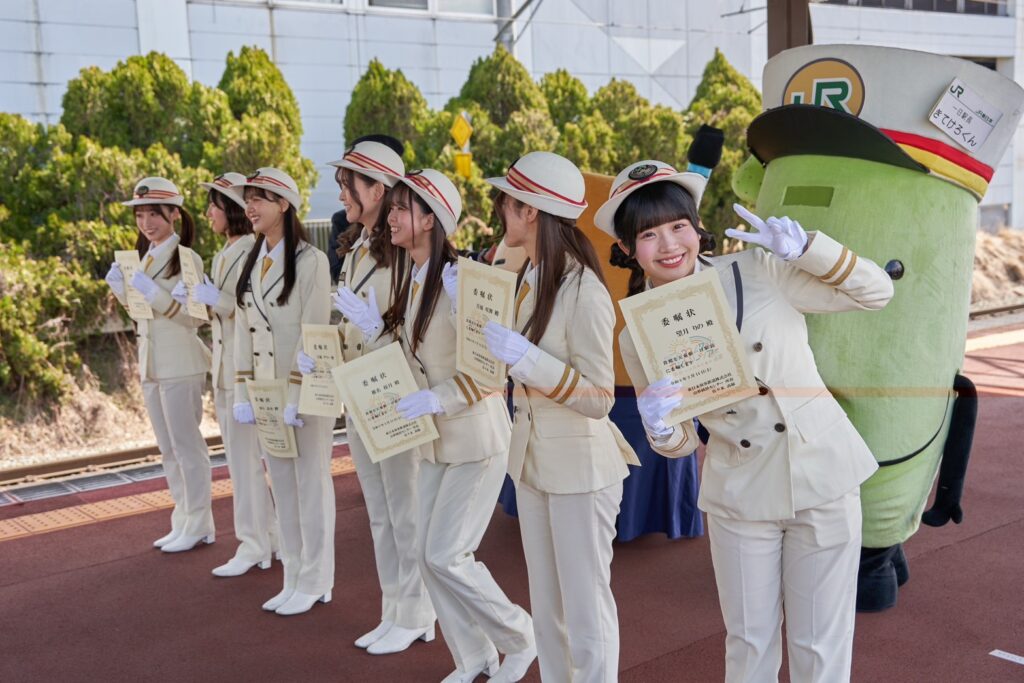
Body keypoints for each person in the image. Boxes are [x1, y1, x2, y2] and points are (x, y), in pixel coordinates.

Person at [595, 159, 894, 683]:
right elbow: (682, 443)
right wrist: (659, 426)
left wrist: (809, 250)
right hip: (739, 492)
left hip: (821, 474)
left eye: (677, 226)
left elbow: (876, 293)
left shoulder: (759, 269)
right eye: (648, 234)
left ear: (696, 228)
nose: (668, 245)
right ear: (627, 248)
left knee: (819, 646)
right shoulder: (635, 332)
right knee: (749, 644)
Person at [482, 152, 638, 682]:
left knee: (586, 609)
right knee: (547, 609)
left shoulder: (584, 290)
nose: (500, 208)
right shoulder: (529, 274)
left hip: (581, 469)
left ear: (530, 211)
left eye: (507, 200)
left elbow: (600, 399)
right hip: (533, 461)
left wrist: (530, 363)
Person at [306, 139, 435, 650]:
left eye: (348, 184)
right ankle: (394, 608)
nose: (341, 193)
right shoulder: (358, 245)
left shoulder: (406, 248)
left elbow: (419, 334)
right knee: (379, 511)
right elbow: (355, 324)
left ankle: (419, 612)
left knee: (406, 510)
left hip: (396, 393)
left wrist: (375, 327)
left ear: (377, 190)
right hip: (360, 391)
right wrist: (326, 349)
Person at [231, 168, 335, 616]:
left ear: (285, 205)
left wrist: (296, 391)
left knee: (311, 485)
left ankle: (317, 580)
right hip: (267, 395)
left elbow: (314, 332)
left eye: (261, 198)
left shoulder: (311, 261)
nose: (250, 207)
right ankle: (293, 575)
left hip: (305, 394)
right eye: (248, 199)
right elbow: (242, 330)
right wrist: (242, 390)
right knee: (284, 488)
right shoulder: (254, 260)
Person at [104, 177, 214, 553]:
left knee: (187, 446)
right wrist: (122, 289)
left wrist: (156, 293)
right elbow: (142, 314)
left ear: (174, 215)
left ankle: (200, 522)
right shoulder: (145, 256)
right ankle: (182, 518)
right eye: (141, 214)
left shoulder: (187, 259)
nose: (147, 222)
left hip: (181, 362)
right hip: (152, 362)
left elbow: (195, 318)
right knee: (167, 449)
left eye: (155, 213)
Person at [175, 172, 277, 576]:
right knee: (245, 461)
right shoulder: (229, 251)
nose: (208, 213)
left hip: (242, 372)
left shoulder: (248, 249)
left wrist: (216, 299)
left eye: (215, 205)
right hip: (226, 369)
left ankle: (254, 544)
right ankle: (269, 538)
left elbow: (248, 311)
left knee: (245, 461)